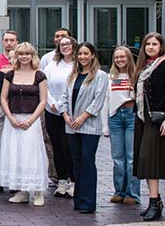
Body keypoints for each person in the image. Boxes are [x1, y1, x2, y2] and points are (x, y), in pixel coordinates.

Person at [0, 42, 50, 207]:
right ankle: (22, 191)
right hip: (13, 120)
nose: (24, 57)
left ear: (32, 55)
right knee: (16, 153)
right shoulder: (10, 75)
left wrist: (31, 120)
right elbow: (2, 98)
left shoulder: (39, 75)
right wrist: (11, 117)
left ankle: (38, 192)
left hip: (31, 120)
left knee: (32, 155)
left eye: (27, 54)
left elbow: (43, 101)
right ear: (17, 56)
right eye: (21, 54)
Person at [59, 42, 109, 214]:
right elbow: (64, 98)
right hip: (72, 126)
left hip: (89, 126)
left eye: (86, 54)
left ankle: (88, 202)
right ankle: (78, 200)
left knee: (87, 161)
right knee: (76, 162)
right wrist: (65, 115)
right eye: (80, 54)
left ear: (93, 55)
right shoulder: (73, 75)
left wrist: (83, 117)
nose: (82, 57)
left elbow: (98, 100)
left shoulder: (100, 76)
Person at [135, 32, 165, 221]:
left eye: (154, 44)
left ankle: (154, 202)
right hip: (141, 117)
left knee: (150, 159)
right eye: (148, 44)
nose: (151, 47)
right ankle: (155, 200)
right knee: (143, 161)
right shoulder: (143, 67)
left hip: (158, 119)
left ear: (161, 46)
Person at [106, 46, 141, 205]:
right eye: (117, 57)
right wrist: (104, 126)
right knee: (118, 158)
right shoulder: (110, 77)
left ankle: (132, 194)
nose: (119, 60)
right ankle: (119, 191)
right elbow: (106, 101)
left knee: (132, 158)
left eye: (123, 57)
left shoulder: (137, 76)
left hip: (131, 116)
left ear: (129, 58)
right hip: (115, 117)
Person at [43, 36, 77, 198]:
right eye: (62, 45)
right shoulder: (52, 65)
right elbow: (44, 86)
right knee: (56, 147)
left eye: (68, 44)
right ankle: (62, 180)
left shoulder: (77, 65)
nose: (65, 47)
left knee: (69, 147)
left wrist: (64, 106)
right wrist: (52, 103)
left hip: (71, 113)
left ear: (73, 46)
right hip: (53, 111)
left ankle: (74, 181)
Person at [0, 31, 17, 193]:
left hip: (18, 109)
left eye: (12, 40)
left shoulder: (21, 60)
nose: (9, 43)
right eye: (6, 40)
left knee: (15, 145)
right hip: (0, 109)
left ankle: (14, 180)